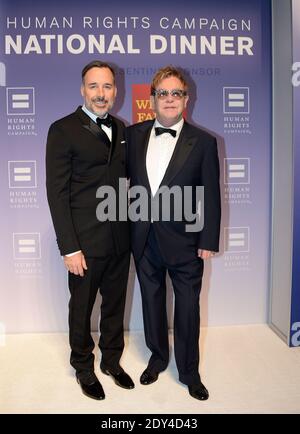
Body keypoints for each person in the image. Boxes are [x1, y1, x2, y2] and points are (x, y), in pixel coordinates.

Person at [126, 66, 221, 401]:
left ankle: (189, 372)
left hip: (185, 242)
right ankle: (157, 357)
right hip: (143, 239)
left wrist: (208, 240)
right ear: (152, 99)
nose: (169, 99)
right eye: (162, 93)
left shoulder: (204, 142)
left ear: (186, 98)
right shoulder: (133, 135)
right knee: (151, 302)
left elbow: (210, 193)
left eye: (175, 93)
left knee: (187, 308)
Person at [46, 60, 134, 400]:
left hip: (119, 239)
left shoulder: (123, 129)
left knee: (115, 305)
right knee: (81, 308)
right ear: (83, 90)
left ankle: (111, 361)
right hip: (83, 242)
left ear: (116, 90)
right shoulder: (63, 129)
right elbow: (57, 192)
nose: (101, 93)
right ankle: (83, 366)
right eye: (94, 86)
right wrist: (69, 247)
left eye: (107, 86)